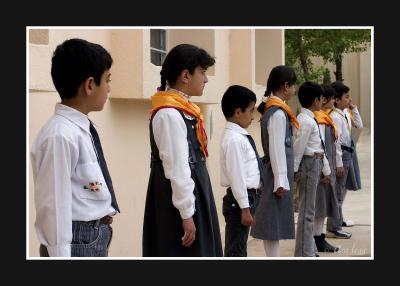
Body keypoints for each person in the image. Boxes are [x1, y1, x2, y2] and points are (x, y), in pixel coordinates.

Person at [30, 38, 119, 257]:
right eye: (107, 80)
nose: (109, 88)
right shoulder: (60, 135)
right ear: (90, 85)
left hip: (92, 238)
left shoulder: (79, 128)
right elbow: (54, 207)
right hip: (77, 243)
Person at [142, 43, 223, 257]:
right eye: (203, 72)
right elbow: (177, 168)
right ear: (186, 75)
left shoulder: (184, 110)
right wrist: (187, 214)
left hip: (190, 192)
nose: (206, 79)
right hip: (178, 200)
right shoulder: (169, 113)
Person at [251, 65, 297, 257]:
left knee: (273, 224)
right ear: (285, 86)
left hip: (277, 174)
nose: (294, 90)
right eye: (293, 85)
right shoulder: (277, 112)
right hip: (276, 176)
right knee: (272, 225)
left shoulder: (276, 110)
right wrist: (280, 181)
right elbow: (277, 149)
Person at [220, 85, 262, 257]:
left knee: (240, 247)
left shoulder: (239, 136)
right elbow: (236, 176)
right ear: (238, 112)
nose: (252, 117)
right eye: (251, 111)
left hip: (246, 199)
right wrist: (245, 208)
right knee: (235, 249)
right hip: (239, 202)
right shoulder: (234, 140)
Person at [293, 81, 331, 257]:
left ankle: (309, 248)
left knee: (310, 210)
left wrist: (325, 169)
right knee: (307, 213)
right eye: (321, 98)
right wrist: (293, 171)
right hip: (308, 165)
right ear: (316, 100)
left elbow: (319, 147)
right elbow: (298, 148)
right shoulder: (305, 121)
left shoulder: (310, 119)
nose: (322, 101)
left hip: (314, 164)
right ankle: (303, 252)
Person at [327, 81, 363, 238]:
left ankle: (338, 220)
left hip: (348, 154)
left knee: (343, 190)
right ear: (336, 99)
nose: (349, 100)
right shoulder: (335, 116)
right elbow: (336, 142)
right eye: (346, 97)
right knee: (338, 193)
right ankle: (334, 227)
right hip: (341, 155)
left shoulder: (345, 113)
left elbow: (359, 125)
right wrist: (339, 163)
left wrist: (353, 108)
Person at [313, 85, 340, 252]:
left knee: (322, 206)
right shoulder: (319, 119)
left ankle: (319, 236)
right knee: (319, 207)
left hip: (326, 166)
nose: (333, 101)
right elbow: (320, 146)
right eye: (331, 98)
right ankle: (317, 239)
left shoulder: (325, 118)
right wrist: (325, 170)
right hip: (322, 169)